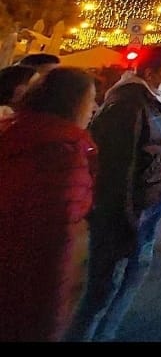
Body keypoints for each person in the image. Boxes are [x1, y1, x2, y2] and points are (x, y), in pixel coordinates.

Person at [65, 46, 161, 342]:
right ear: (149, 72)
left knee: (125, 283)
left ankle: (103, 335)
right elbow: (118, 169)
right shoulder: (129, 105)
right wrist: (125, 221)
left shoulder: (153, 100)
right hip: (127, 212)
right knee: (105, 289)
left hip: (145, 206)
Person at [0, 67, 98, 341]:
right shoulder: (63, 153)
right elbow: (57, 244)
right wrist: (51, 320)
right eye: (91, 100)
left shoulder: (17, 132)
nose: (93, 109)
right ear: (74, 103)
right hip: (29, 286)